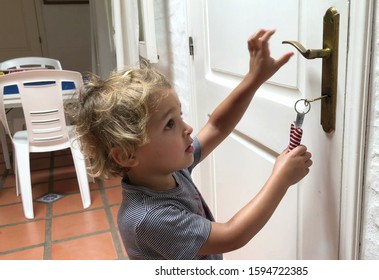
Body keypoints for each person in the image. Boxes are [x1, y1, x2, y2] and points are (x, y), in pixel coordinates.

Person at [70, 29, 313, 260]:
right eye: (169, 124)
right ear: (126, 155)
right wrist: (281, 178)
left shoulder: (170, 169)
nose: (187, 129)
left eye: (180, 117)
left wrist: (253, 79)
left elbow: (217, 126)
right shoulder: (150, 218)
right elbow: (232, 235)